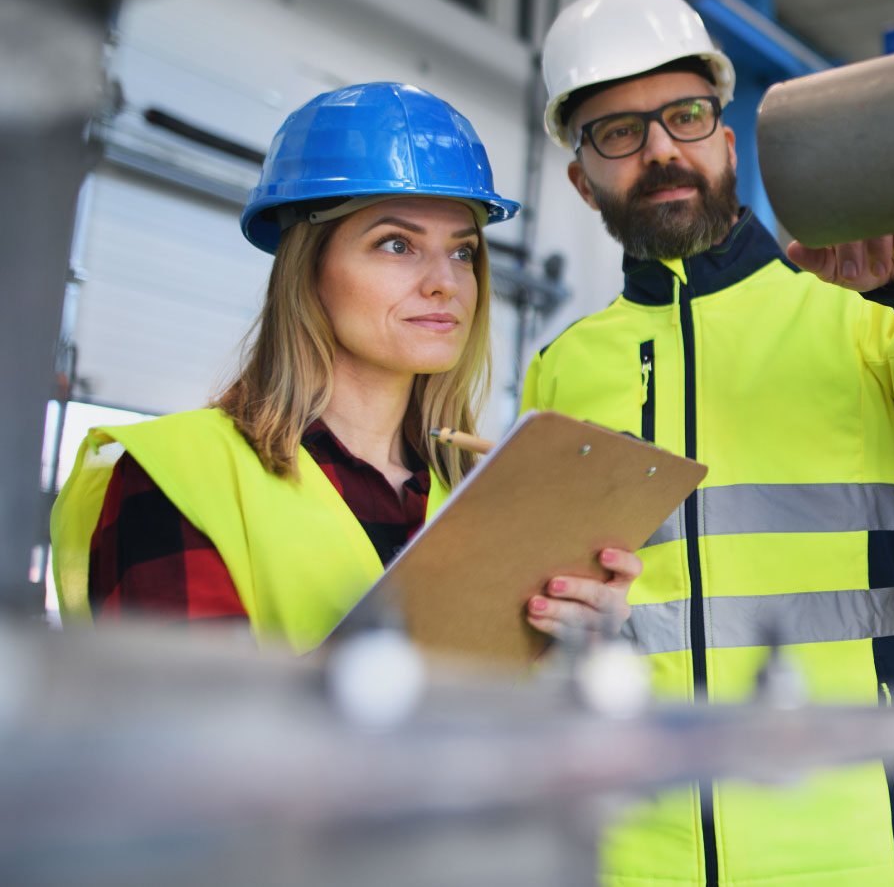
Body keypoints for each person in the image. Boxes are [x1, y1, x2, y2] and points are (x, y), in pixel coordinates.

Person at [525, 0, 894, 886]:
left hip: (846, 836)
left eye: (685, 115)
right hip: (633, 851)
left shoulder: (851, 310)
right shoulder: (562, 368)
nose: (662, 149)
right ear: (580, 175)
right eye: (620, 132)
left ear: (726, 136)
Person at [52, 82, 638, 652]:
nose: (445, 284)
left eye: (461, 251)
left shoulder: (483, 500)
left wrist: (566, 649)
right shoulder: (177, 475)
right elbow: (189, 735)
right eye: (396, 244)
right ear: (308, 267)